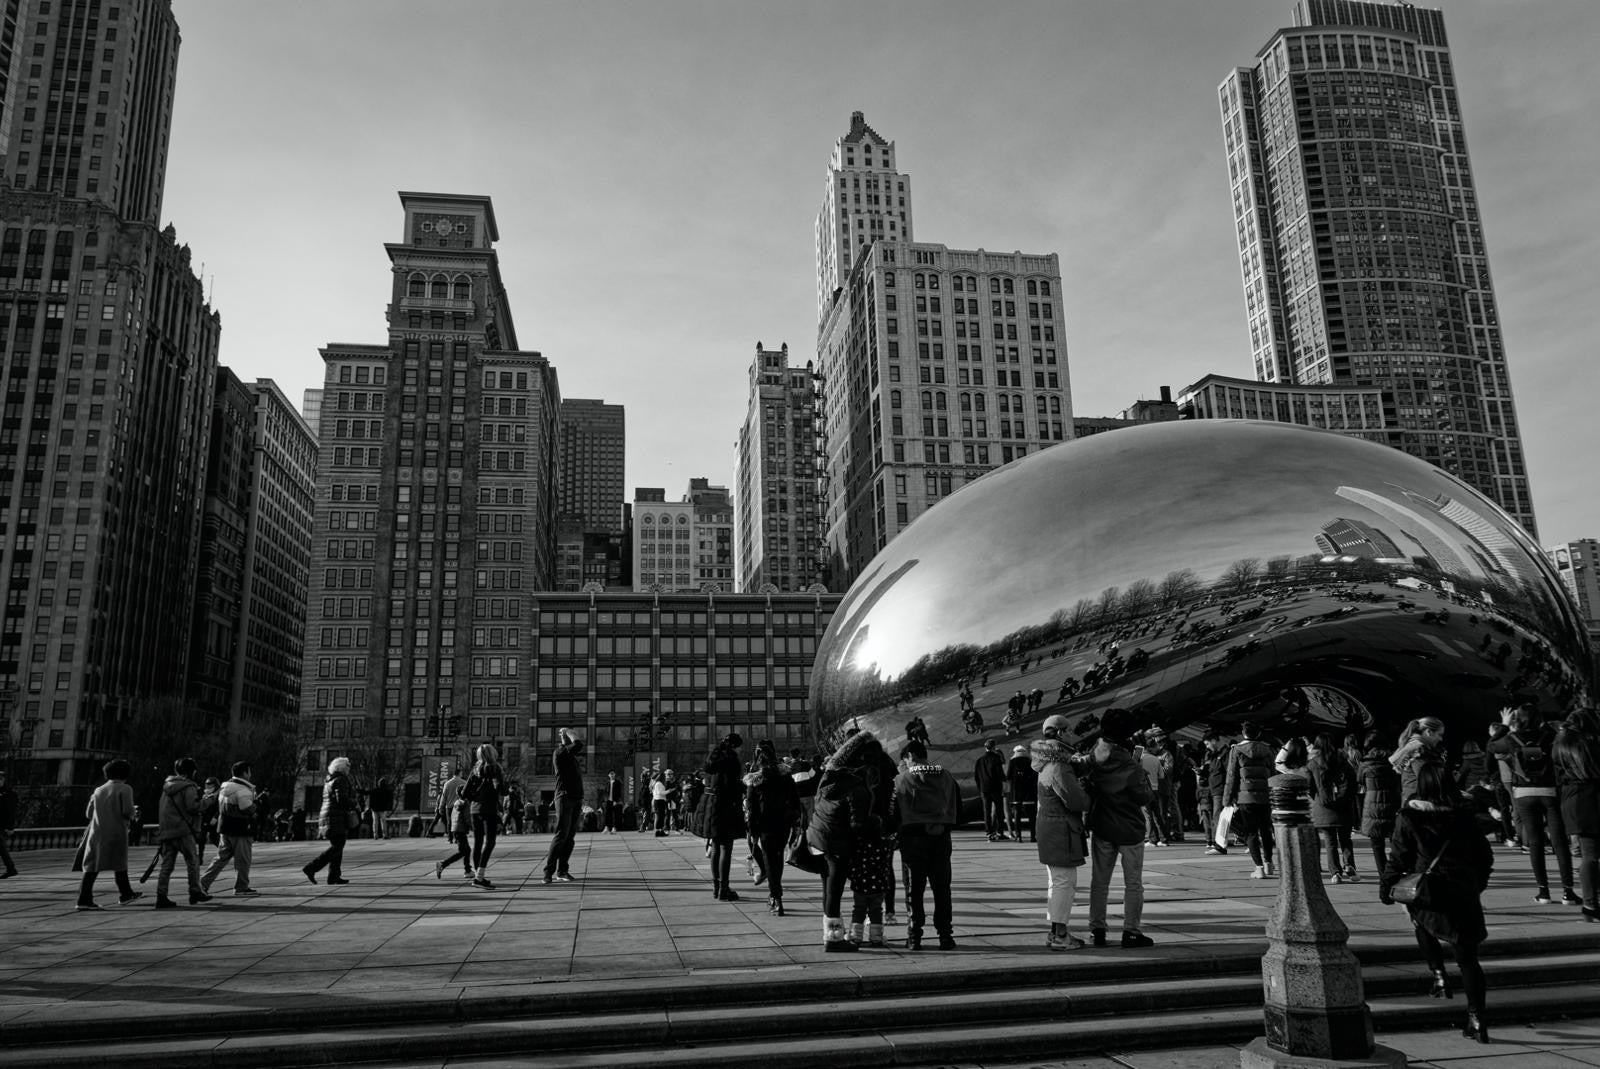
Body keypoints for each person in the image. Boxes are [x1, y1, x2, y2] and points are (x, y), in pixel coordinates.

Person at [1380, 762, 1495, 1044]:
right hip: (1463, 888)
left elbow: (1398, 857)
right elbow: (1485, 856)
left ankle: (1439, 975)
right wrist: (1476, 884)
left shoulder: (1410, 816)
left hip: (1430, 888)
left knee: (1420, 921)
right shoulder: (1464, 815)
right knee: (1468, 959)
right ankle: (1477, 1018)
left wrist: (1387, 887)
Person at [1082, 708, 1155, 948]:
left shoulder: (1094, 754)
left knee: (1099, 882)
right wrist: (1140, 759)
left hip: (1102, 825)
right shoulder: (1131, 764)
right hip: (1129, 828)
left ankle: (1097, 930)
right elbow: (1143, 795)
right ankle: (1131, 931)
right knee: (1133, 883)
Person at [1490, 707, 1578, 905]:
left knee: (1535, 842)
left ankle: (1544, 892)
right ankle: (1568, 892)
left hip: (1523, 793)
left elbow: (1491, 747)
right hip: (1550, 792)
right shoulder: (1550, 736)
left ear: (1516, 720)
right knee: (1560, 841)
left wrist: (1504, 726)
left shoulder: (1512, 739)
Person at [807, 730, 877, 952]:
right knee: (834, 891)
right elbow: (858, 824)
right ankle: (834, 939)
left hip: (819, 838)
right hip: (836, 842)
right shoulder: (856, 788)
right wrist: (878, 824)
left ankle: (830, 934)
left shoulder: (831, 778)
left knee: (828, 889)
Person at [894, 738, 961, 951]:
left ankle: (914, 937)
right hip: (941, 839)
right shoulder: (947, 777)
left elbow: (893, 813)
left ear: (910, 757)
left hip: (912, 840)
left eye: (905, 760)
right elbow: (958, 809)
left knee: (914, 889)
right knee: (942, 888)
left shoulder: (901, 779)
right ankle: (945, 936)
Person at [1032, 735, 1090, 950]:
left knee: (1057, 883)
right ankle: (1060, 935)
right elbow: (1076, 801)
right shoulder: (1059, 768)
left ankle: (1056, 932)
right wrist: (1087, 794)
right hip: (1061, 831)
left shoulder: (1046, 765)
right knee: (1064, 884)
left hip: (1052, 829)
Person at [745, 739, 803, 916]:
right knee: (777, 857)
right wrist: (796, 822)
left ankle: (775, 897)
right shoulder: (785, 775)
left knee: (769, 858)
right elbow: (795, 800)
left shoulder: (755, 778)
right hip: (783, 822)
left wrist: (752, 831)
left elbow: (751, 808)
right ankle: (776, 894)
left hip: (765, 824)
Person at [1552, 708, 1600, 922]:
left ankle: (1590, 904)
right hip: (1593, 798)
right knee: (1591, 856)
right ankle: (1591, 904)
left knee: (1588, 855)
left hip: (1571, 801)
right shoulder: (1592, 743)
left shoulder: (1560, 745)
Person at [77, 759, 142, 910]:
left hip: (97, 832)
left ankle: (84, 898)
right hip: (116, 831)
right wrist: (135, 812)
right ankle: (125, 894)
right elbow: (127, 811)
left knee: (92, 867)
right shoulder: (125, 789)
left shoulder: (98, 790)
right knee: (119, 864)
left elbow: (88, 813)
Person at [154, 757, 211, 909]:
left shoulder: (167, 787)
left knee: (167, 865)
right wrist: (208, 801)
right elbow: (193, 807)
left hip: (167, 831)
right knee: (192, 860)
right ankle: (195, 890)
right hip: (183, 830)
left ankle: (161, 895)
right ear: (192, 771)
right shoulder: (188, 787)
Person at [1224, 721, 1276, 879]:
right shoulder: (1267, 749)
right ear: (1258, 734)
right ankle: (1268, 864)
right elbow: (1273, 773)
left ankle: (1258, 867)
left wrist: (1228, 798)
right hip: (1264, 796)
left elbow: (1232, 776)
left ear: (1243, 733)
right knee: (1266, 831)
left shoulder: (1237, 750)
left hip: (1245, 797)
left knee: (1251, 832)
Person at [199, 762, 260, 897]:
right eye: (249, 771)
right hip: (241, 828)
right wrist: (255, 807)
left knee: (220, 859)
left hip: (225, 827)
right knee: (243, 859)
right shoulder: (242, 789)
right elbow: (246, 807)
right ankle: (241, 887)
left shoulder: (225, 787)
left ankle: (202, 883)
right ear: (245, 773)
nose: (250, 774)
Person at [1307, 733, 1360, 883]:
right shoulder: (1343, 761)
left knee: (1330, 841)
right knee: (1345, 839)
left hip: (1323, 807)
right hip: (1344, 806)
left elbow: (1310, 787)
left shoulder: (1313, 763)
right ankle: (1350, 866)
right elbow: (1353, 782)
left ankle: (1335, 872)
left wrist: (1319, 798)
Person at [703, 734, 747, 901]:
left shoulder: (713, 760)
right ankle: (724, 888)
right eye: (739, 746)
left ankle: (716, 887)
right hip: (727, 806)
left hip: (713, 806)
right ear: (734, 746)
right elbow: (732, 786)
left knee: (715, 847)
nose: (740, 749)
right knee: (726, 849)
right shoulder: (731, 760)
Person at [541, 728, 584, 884]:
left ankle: (562, 871)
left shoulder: (570, 755)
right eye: (566, 735)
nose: (570, 737)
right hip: (564, 797)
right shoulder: (559, 752)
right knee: (561, 835)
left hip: (576, 798)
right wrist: (569, 732)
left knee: (570, 837)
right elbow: (579, 744)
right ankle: (548, 872)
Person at [304, 756, 355, 886]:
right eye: (348, 767)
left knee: (337, 846)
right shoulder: (341, 779)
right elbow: (341, 799)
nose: (349, 770)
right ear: (343, 768)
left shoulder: (329, 780)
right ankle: (312, 867)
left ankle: (334, 876)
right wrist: (353, 803)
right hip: (335, 817)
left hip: (328, 816)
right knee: (337, 846)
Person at [463, 745, 507, 890]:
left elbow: (464, 792)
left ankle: (478, 876)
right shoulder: (496, 768)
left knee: (478, 842)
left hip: (474, 810)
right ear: (493, 754)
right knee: (490, 842)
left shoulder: (475, 769)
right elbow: (503, 790)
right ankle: (479, 877)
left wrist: (476, 797)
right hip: (489, 810)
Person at [1359, 733, 1403, 876]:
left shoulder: (1366, 762)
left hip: (1373, 804)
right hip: (1393, 800)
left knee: (1377, 843)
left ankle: (1383, 875)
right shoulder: (1394, 760)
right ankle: (1395, 871)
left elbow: (1359, 780)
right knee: (1395, 841)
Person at [432, 763, 473, 881]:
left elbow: (443, 798)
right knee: (463, 851)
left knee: (466, 850)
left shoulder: (455, 799)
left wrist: (441, 808)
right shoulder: (464, 802)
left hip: (455, 827)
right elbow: (466, 818)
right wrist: (472, 827)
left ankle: (468, 869)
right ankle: (444, 864)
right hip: (460, 829)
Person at [1392, 716, 1447, 803]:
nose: (1441, 739)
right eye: (1439, 735)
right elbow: (1429, 781)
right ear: (1429, 732)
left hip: (1414, 802)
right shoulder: (1419, 750)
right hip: (1418, 806)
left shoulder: (1415, 747)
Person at [1200, 731, 1231, 855]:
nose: (1207, 746)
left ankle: (1219, 846)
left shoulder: (1225, 753)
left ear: (1214, 740)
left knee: (1217, 817)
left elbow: (1228, 772)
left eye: (1207, 743)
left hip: (1221, 790)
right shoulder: (1213, 755)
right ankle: (1249, 840)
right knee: (1222, 817)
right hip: (1214, 790)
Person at [974, 738, 1008, 841]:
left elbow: (976, 776)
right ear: (993, 747)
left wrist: (980, 787)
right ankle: (1000, 832)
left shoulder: (979, 760)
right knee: (999, 811)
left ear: (985, 747)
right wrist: (1005, 779)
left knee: (987, 811)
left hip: (984, 789)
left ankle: (989, 832)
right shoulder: (996, 758)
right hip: (995, 788)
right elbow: (1000, 774)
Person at [1007, 743, 1038, 843]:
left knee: (1017, 815)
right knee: (1032, 816)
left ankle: (1018, 836)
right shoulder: (1030, 761)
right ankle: (1033, 836)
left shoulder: (1012, 762)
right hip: (1029, 793)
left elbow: (1008, 776)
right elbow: (1035, 776)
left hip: (1016, 793)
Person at [197, 776, 221, 866]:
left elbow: (220, 807)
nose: (209, 788)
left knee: (214, 838)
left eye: (211, 786)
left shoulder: (219, 794)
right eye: (207, 786)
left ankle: (226, 851)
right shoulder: (205, 795)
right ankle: (199, 859)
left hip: (213, 820)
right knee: (201, 839)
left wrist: (216, 817)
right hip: (205, 819)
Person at [0, 769, 18, 879]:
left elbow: (10, 812)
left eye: (0, 779)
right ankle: (11, 868)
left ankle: (11, 868)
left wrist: (10, 827)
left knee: (1, 848)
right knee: (1, 849)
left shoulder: (8, 794)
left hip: (1, 826)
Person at [651, 769, 672, 838]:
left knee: (661, 816)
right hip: (659, 801)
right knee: (660, 816)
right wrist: (669, 791)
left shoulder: (657, 783)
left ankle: (660, 830)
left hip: (659, 801)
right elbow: (660, 793)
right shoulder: (658, 784)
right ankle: (658, 831)